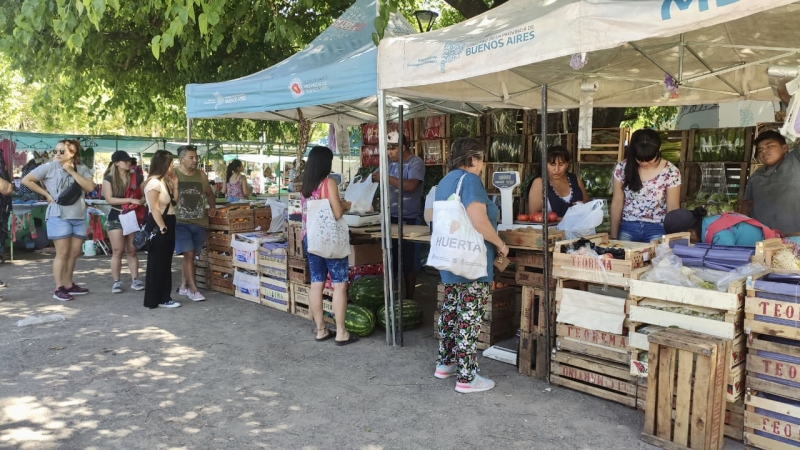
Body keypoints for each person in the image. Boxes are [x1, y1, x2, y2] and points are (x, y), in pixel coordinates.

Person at [434, 137, 508, 394]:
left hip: (450, 257)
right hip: (472, 261)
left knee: (451, 310)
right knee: (469, 315)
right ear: (474, 159)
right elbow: (478, 218)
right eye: (482, 160)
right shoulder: (471, 181)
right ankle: (466, 377)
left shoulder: (445, 181)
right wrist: (500, 244)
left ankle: (445, 363)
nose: (482, 165)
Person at [22, 139, 96, 301]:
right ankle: (59, 287)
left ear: (73, 153)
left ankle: (69, 284)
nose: (57, 154)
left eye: (62, 151)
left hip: (78, 215)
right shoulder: (48, 167)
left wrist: (72, 172)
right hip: (58, 215)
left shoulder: (82, 169)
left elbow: (90, 188)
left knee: (75, 252)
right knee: (62, 253)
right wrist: (46, 194)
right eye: (55, 151)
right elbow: (26, 180)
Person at [301, 146, 357, 346]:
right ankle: (341, 332)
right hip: (329, 239)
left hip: (311, 238)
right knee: (339, 284)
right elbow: (337, 213)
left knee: (317, 282)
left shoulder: (306, 185)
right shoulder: (328, 183)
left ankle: (321, 330)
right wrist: (346, 205)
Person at [371, 131, 425, 299]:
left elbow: (411, 186)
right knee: (390, 260)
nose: (389, 153)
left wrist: (386, 177)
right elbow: (376, 177)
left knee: (409, 263)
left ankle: (409, 299)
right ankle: (391, 298)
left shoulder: (416, 163)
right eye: (387, 149)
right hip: (389, 217)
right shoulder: (387, 162)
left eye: (392, 149)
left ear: (402, 148)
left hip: (409, 219)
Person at [610, 129, 681, 243]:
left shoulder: (671, 171)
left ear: (659, 149)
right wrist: (613, 237)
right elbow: (617, 203)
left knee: (657, 261)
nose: (644, 163)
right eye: (639, 159)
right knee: (625, 259)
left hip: (657, 228)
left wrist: (672, 239)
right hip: (628, 226)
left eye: (649, 159)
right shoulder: (622, 168)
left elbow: (672, 208)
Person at [741, 130, 800, 244]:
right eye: (760, 150)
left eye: (770, 146)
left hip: (796, 238)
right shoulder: (756, 176)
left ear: (785, 148)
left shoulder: (795, 160)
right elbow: (747, 203)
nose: (764, 151)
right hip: (764, 240)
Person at [174, 145, 217, 301]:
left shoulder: (201, 175)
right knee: (189, 253)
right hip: (179, 222)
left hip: (199, 222)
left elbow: (210, 193)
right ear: (181, 159)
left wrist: (212, 207)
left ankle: (183, 286)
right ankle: (193, 290)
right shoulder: (173, 174)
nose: (195, 160)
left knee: (190, 257)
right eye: (191, 158)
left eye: (196, 157)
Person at [103, 150, 145, 293]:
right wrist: (129, 200)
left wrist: (140, 202)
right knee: (117, 250)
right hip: (116, 215)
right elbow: (109, 199)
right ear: (116, 163)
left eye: (129, 161)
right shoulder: (108, 178)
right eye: (125, 161)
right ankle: (117, 281)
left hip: (132, 215)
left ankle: (135, 279)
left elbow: (145, 194)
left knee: (132, 250)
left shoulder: (137, 177)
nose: (129, 163)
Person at [143, 150, 180, 309]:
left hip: (169, 221)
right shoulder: (153, 183)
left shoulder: (163, 181)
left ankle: (164, 296)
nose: (172, 166)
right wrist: (162, 227)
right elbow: (154, 208)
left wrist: (176, 185)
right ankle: (157, 298)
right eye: (171, 163)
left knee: (165, 262)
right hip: (160, 225)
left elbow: (174, 202)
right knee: (158, 263)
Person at [527, 145, 590, 217]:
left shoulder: (575, 179)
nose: (556, 169)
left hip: (578, 227)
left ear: (567, 164)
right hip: (552, 228)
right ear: (545, 164)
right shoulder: (539, 183)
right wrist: (557, 219)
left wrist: (582, 206)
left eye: (561, 164)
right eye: (552, 164)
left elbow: (588, 205)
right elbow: (533, 215)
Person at [663, 207, 768, 246]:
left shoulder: (718, 236)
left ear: (692, 233)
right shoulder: (709, 223)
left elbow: (728, 262)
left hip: (769, 251)